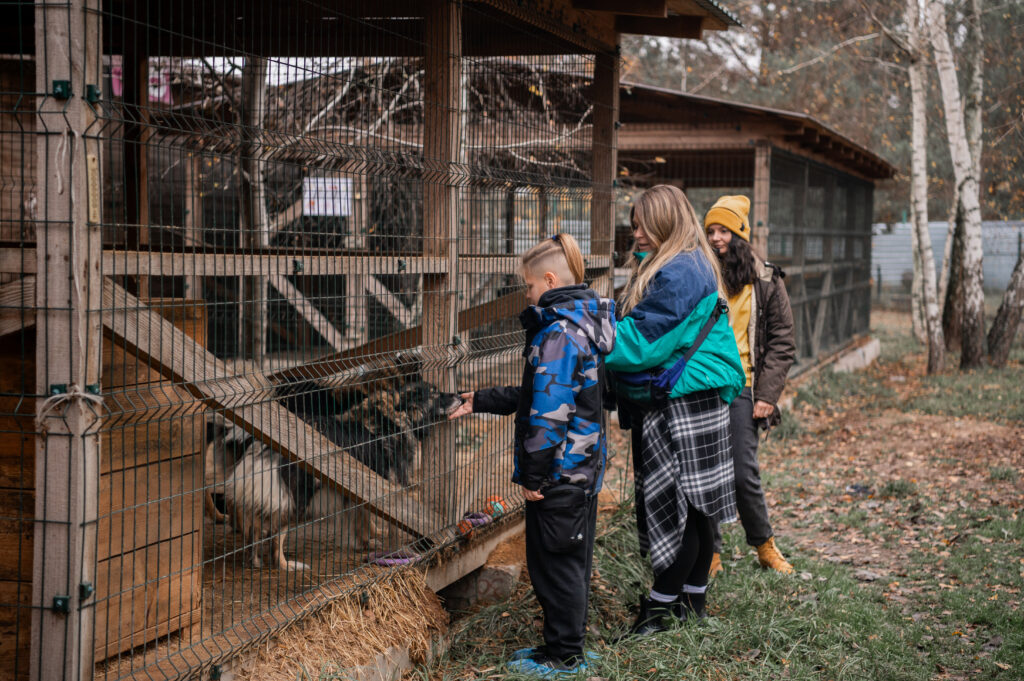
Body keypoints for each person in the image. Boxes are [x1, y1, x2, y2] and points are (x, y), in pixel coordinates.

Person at [448, 233, 616, 677]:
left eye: (527, 286)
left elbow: (547, 415)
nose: (526, 294)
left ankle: (564, 657)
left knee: (554, 565)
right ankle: (569, 648)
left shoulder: (558, 333)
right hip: (581, 471)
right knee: (570, 561)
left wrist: (534, 476)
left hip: (558, 474)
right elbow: (545, 390)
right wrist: (484, 398)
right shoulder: (581, 324)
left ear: (548, 278)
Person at [605, 184, 745, 637]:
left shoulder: (679, 271)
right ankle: (692, 605)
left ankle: (658, 611)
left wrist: (592, 333)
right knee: (699, 509)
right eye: (634, 225)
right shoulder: (687, 261)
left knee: (678, 508)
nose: (637, 233)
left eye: (643, 224)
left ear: (666, 221)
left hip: (682, 399)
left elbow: (638, 345)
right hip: (697, 393)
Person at [704, 195, 797, 575]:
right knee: (705, 468)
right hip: (703, 384)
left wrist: (767, 397)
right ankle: (709, 553)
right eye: (709, 230)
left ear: (740, 234)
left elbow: (782, 340)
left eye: (723, 230)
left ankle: (765, 546)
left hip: (743, 386)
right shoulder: (701, 273)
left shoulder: (766, 280)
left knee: (743, 472)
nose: (715, 238)